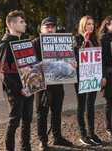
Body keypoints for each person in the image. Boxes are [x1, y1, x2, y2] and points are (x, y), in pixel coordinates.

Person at [33, 17, 75, 151]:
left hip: (58, 83)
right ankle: (42, 140)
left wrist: (72, 64)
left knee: (57, 111)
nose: (50, 29)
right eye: (47, 27)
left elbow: (67, 61)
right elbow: (30, 65)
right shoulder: (35, 43)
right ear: (41, 29)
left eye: (52, 27)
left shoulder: (61, 41)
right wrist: (39, 66)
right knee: (42, 113)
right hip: (42, 85)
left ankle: (57, 137)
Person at [0, 10, 34, 151]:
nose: (25, 24)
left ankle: (26, 147)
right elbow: (4, 71)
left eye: (24, 21)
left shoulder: (26, 41)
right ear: (12, 24)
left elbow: (31, 64)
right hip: (16, 91)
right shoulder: (5, 44)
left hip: (29, 88)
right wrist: (19, 89)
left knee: (27, 121)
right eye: (21, 21)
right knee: (14, 123)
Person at [73, 16, 106, 145]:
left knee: (91, 104)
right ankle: (83, 134)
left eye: (92, 24)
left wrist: (102, 76)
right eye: (88, 24)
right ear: (83, 25)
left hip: (93, 76)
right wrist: (84, 41)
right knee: (81, 105)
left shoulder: (96, 39)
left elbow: (100, 59)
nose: (91, 26)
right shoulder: (77, 38)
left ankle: (92, 133)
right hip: (81, 77)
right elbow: (76, 55)